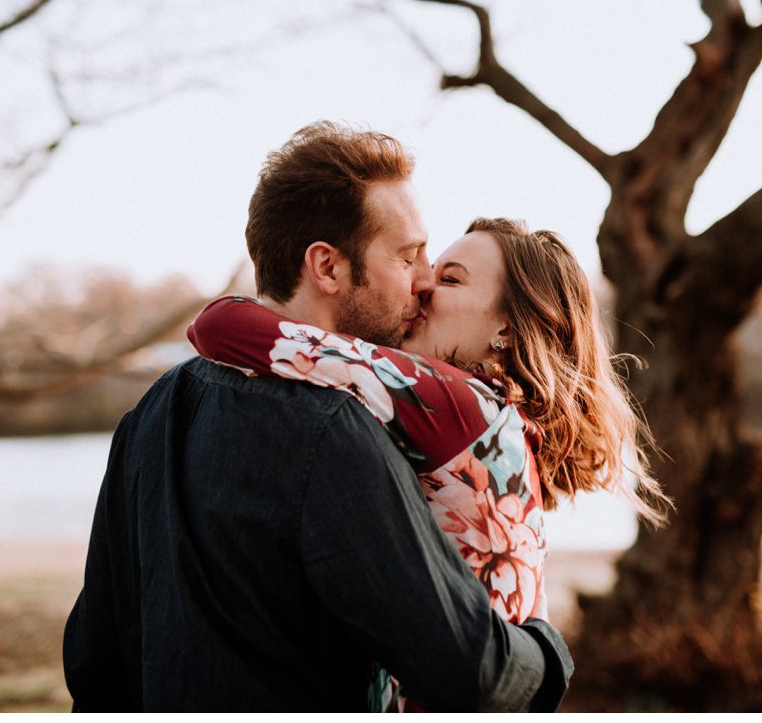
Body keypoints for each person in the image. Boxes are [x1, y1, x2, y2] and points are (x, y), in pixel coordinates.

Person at [62, 122, 572, 712]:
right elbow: (463, 665)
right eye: (408, 256)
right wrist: (547, 644)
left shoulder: (151, 411)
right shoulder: (338, 430)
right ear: (328, 268)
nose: (424, 278)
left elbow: (94, 659)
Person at [187, 219, 672, 710]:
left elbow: (221, 326)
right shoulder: (498, 421)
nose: (422, 286)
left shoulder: (455, 405)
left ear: (506, 326)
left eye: (451, 279)